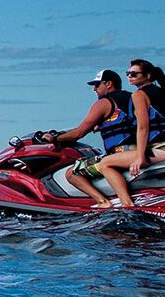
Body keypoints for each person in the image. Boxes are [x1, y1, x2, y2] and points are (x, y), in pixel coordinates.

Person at [88, 59, 165, 206]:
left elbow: (143, 127)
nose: (129, 76)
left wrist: (140, 158)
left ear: (148, 75)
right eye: (128, 73)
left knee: (105, 163)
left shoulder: (139, 95)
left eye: (134, 74)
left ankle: (126, 204)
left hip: (163, 149)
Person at [38, 68, 135, 208]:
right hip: (137, 150)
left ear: (108, 84)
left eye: (97, 85)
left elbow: (79, 133)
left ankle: (103, 203)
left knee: (71, 173)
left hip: (120, 153)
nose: (94, 89)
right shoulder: (133, 98)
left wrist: (55, 139)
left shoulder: (104, 103)